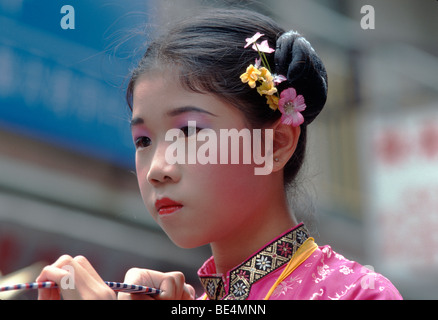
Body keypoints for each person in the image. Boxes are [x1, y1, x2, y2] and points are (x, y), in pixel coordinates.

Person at [36, 8, 402, 300]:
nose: (157, 170)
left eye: (190, 132)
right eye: (143, 140)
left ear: (273, 145)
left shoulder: (358, 294)